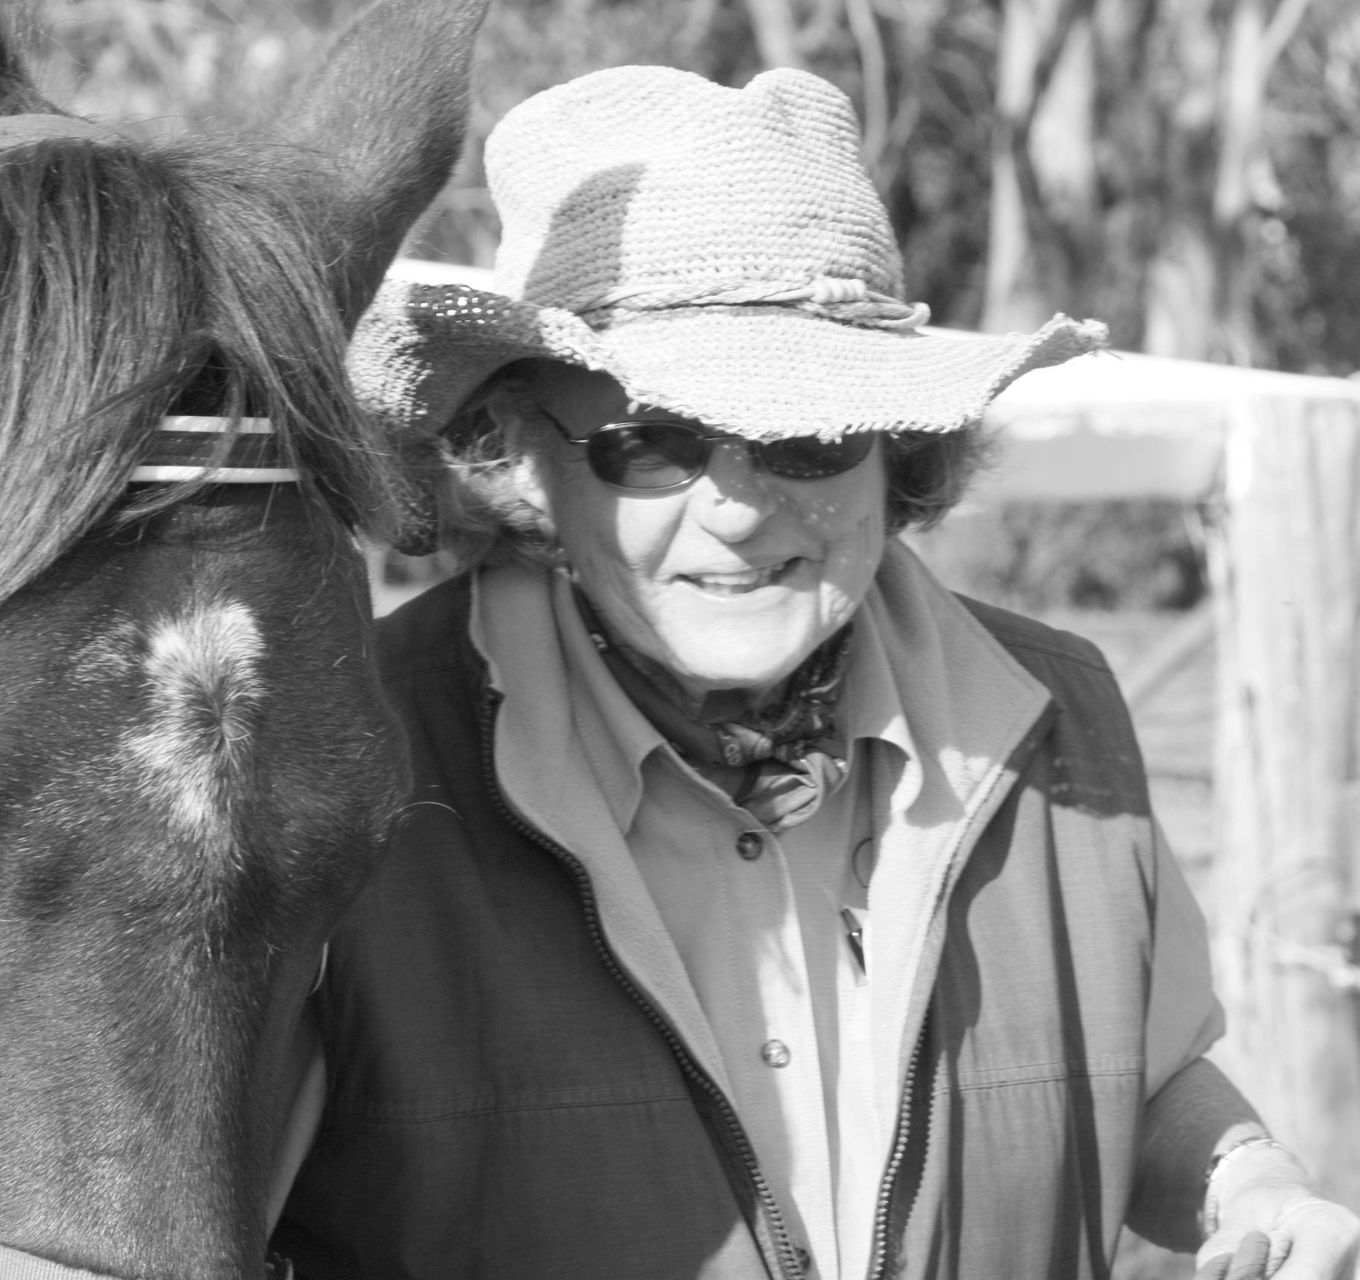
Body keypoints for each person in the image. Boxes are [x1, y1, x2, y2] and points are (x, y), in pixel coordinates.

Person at [266, 65, 1360, 1280]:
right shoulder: (342, 765)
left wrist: (1252, 1183)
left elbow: (1140, 1077)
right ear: (522, 456)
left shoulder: (1055, 714)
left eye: (806, 438)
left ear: (900, 450)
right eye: (654, 446)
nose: (740, 510)